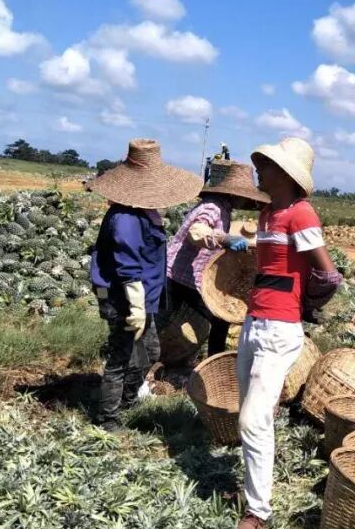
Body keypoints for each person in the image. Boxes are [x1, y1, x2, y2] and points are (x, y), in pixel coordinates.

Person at [236, 137, 342, 529]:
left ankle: (258, 515)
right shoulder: (268, 214)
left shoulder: (301, 213)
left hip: (279, 328)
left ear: (284, 174)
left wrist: (305, 304)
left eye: (266, 166)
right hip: (254, 321)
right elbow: (271, 263)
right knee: (252, 416)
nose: (259, 171)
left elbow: (328, 274)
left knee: (253, 420)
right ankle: (252, 491)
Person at [87, 138, 202, 432]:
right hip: (123, 297)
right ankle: (109, 418)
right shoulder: (125, 218)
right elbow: (128, 266)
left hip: (142, 298)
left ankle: (127, 401)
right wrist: (136, 307)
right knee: (121, 355)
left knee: (148, 351)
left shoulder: (143, 213)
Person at [165, 160, 270, 356]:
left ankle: (210, 359)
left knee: (215, 320)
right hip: (178, 275)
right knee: (216, 318)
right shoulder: (213, 207)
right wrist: (224, 239)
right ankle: (212, 358)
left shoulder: (223, 209)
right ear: (234, 194)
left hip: (186, 276)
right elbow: (196, 232)